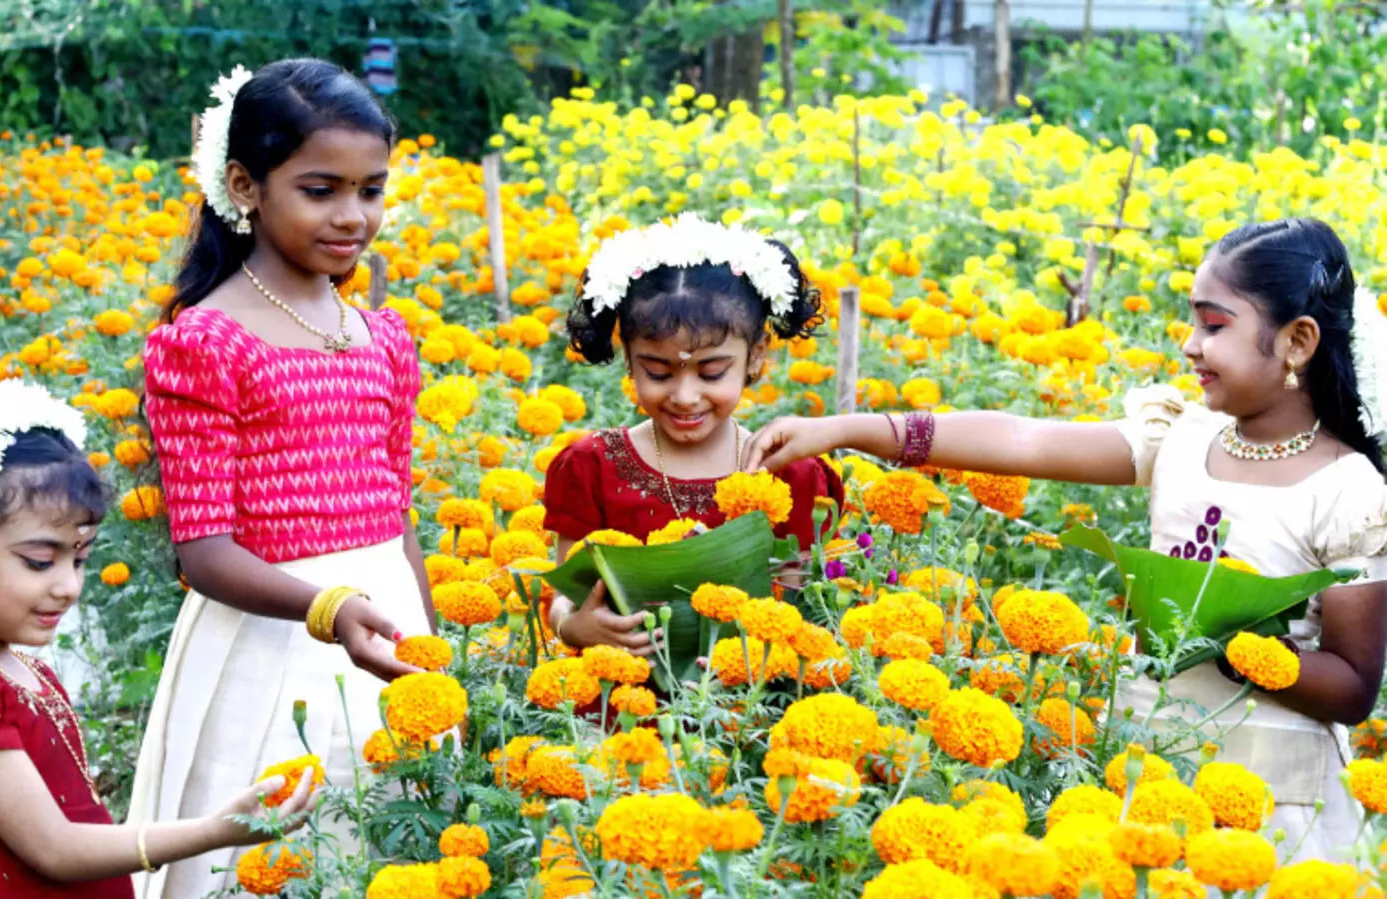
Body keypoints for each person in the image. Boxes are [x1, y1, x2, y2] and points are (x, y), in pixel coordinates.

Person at [741, 217, 1387, 860]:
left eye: (1214, 325)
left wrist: (1236, 644)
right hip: (1146, 766)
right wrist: (850, 429)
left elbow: (1354, 686)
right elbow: (1024, 439)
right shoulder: (1182, 439)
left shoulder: (1350, 490)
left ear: (1298, 341)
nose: (1191, 345)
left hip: (1276, 808)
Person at [127, 58, 430, 897]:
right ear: (245, 184)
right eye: (321, 188)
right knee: (267, 857)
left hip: (388, 630)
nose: (352, 215)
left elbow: (395, 515)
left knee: (388, 847)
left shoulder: (384, 338)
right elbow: (204, 552)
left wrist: (438, 650)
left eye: (371, 190)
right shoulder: (208, 340)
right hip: (267, 641)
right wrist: (326, 608)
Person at [0, 380, 316, 898]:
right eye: (39, 562)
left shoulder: (6, 661)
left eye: (81, 558)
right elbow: (54, 847)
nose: (68, 586)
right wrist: (216, 830)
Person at [544, 214, 845, 656]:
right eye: (658, 371)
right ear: (628, 357)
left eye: (712, 372)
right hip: (618, 698)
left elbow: (800, 604)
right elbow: (566, 595)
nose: (685, 396)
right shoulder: (593, 466)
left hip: (752, 704)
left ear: (756, 357)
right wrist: (573, 627)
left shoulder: (791, 474)